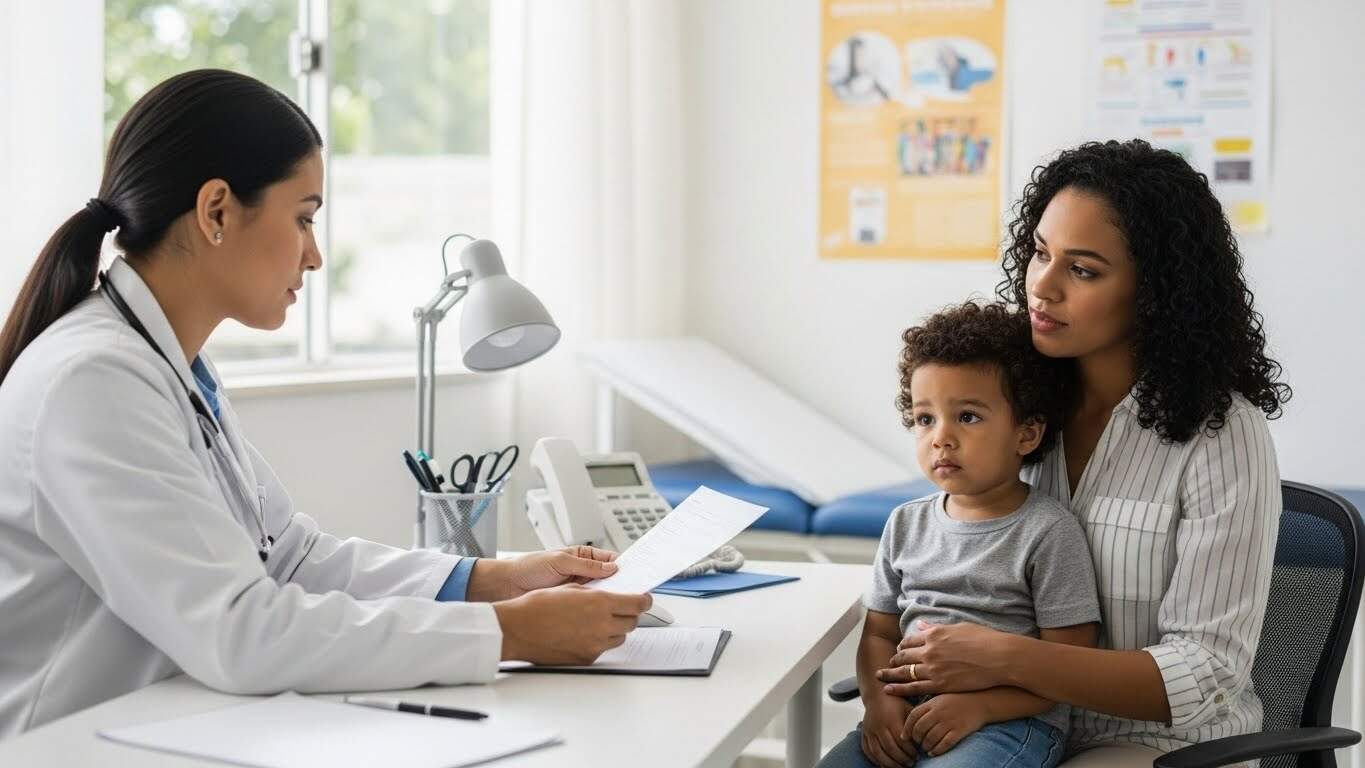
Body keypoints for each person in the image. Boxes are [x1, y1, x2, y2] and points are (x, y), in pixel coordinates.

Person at [0, 69, 650, 739]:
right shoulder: (93, 380)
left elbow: (291, 560)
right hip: (69, 743)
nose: (313, 256)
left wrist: (492, 579)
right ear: (217, 210)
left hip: (164, 726)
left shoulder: (164, 366)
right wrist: (507, 632)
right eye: (304, 218)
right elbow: (237, 631)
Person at [876, 140, 1291, 765]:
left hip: (1157, 747)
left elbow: (1206, 671)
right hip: (1002, 728)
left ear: (1155, 293)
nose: (1041, 286)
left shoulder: (1221, 432)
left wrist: (997, 657)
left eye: (1084, 270)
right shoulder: (1017, 409)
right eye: (1041, 252)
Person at [820, 301, 1101, 768]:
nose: (940, 438)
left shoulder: (1048, 531)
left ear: (1026, 435)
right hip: (905, 712)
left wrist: (981, 706)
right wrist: (878, 702)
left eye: (967, 417)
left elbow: (1070, 661)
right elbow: (878, 635)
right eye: (925, 418)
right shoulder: (905, 523)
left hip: (1009, 724)